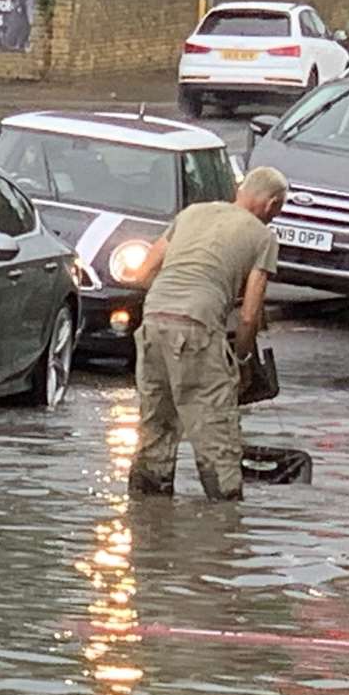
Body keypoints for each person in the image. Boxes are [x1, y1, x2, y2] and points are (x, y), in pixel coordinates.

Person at [126, 166, 289, 501]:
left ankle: (147, 522)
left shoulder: (192, 214)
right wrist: (241, 359)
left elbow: (143, 273)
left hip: (153, 322)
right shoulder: (263, 237)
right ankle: (223, 525)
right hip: (198, 328)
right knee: (217, 434)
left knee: (156, 427)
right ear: (272, 204)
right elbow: (248, 316)